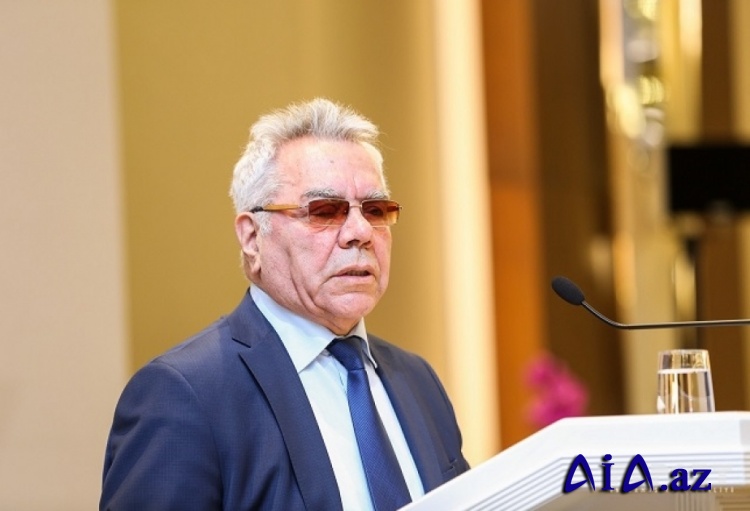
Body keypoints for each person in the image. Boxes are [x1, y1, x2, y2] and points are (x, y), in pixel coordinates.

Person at [100, 98, 470, 510]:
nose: (360, 231)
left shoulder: (417, 380)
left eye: (375, 210)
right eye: (324, 211)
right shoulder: (184, 394)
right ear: (252, 237)